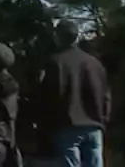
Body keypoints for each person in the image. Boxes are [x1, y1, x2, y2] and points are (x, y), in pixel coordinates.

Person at [39, 19, 109, 167]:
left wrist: (46, 124)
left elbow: (48, 96)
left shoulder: (56, 62)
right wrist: (103, 119)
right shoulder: (94, 63)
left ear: (57, 37)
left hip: (68, 124)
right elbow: (106, 95)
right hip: (94, 124)